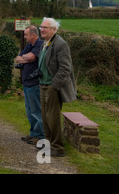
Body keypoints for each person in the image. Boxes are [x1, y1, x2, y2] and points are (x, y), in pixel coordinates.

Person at [38, 17, 77, 157]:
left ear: (54, 30)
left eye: (45, 28)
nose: (42, 30)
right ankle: (48, 145)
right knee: (45, 117)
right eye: (41, 27)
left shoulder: (60, 44)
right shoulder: (46, 42)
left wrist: (54, 86)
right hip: (43, 84)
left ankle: (58, 147)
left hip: (52, 87)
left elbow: (66, 69)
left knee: (53, 118)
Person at [15, 26, 44, 146]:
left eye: (26, 35)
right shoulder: (29, 46)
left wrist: (27, 58)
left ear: (33, 34)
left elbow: (32, 57)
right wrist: (27, 59)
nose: (25, 37)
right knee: (29, 111)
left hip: (34, 83)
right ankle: (33, 133)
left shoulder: (39, 44)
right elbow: (18, 58)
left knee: (36, 111)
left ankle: (40, 135)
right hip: (27, 83)